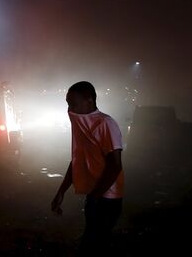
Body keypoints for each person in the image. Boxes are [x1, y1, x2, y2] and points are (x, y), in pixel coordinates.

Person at [50, 81, 124, 255]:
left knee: (94, 242)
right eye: (68, 104)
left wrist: (95, 196)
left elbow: (115, 165)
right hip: (95, 196)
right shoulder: (83, 124)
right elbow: (77, 160)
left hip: (108, 197)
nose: (69, 110)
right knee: (94, 240)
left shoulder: (106, 124)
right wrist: (61, 191)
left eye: (73, 104)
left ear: (89, 101)